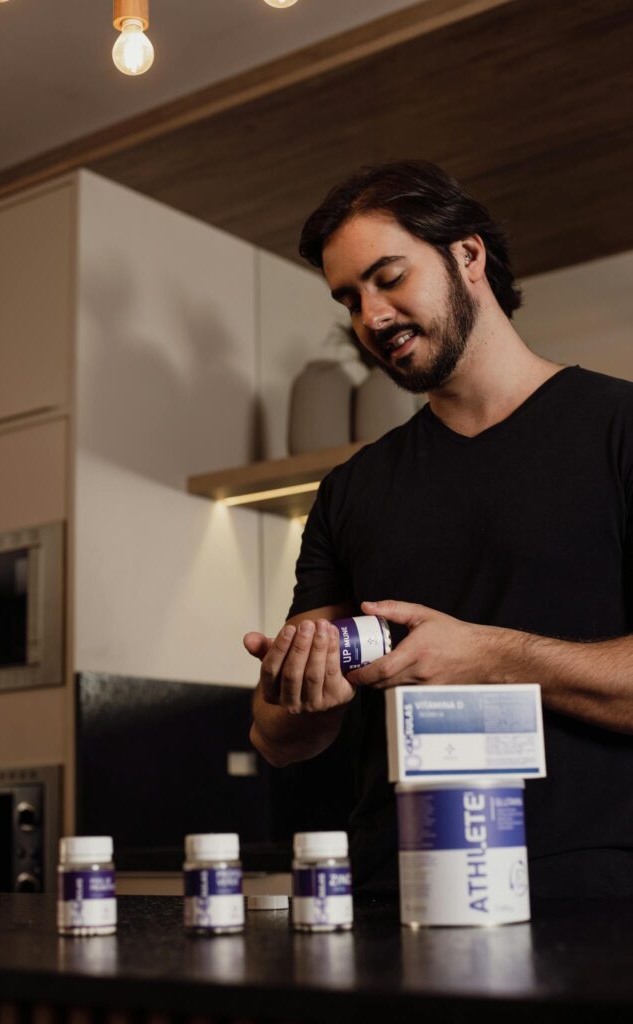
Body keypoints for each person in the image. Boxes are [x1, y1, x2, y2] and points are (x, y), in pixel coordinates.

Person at [244, 160, 633, 898]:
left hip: (597, 898)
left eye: (388, 277)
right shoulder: (351, 490)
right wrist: (298, 686)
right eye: (349, 299)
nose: (372, 316)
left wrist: (487, 655)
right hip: (396, 900)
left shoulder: (619, 431)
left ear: (467, 254)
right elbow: (275, 737)